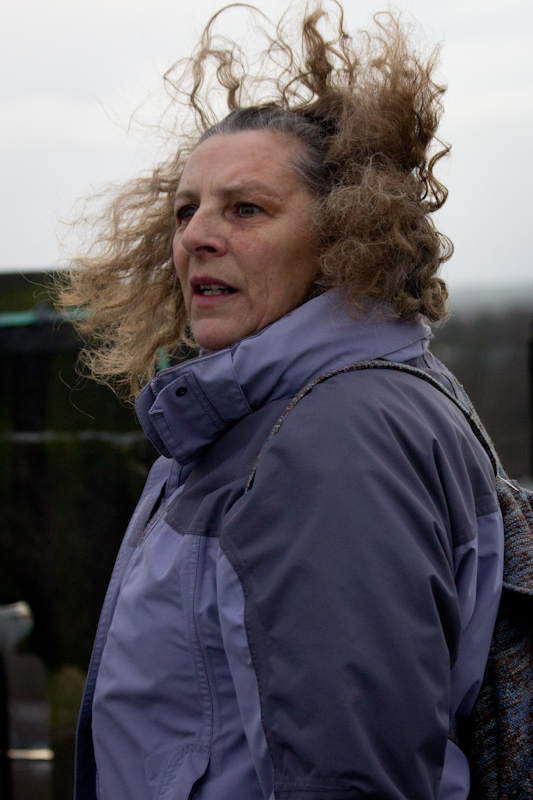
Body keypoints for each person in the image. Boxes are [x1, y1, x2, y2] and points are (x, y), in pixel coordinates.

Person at [60, 4, 504, 799]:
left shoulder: (334, 432)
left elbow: (352, 774)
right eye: (185, 209)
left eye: (246, 208)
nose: (195, 234)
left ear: (346, 237)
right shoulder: (265, 411)